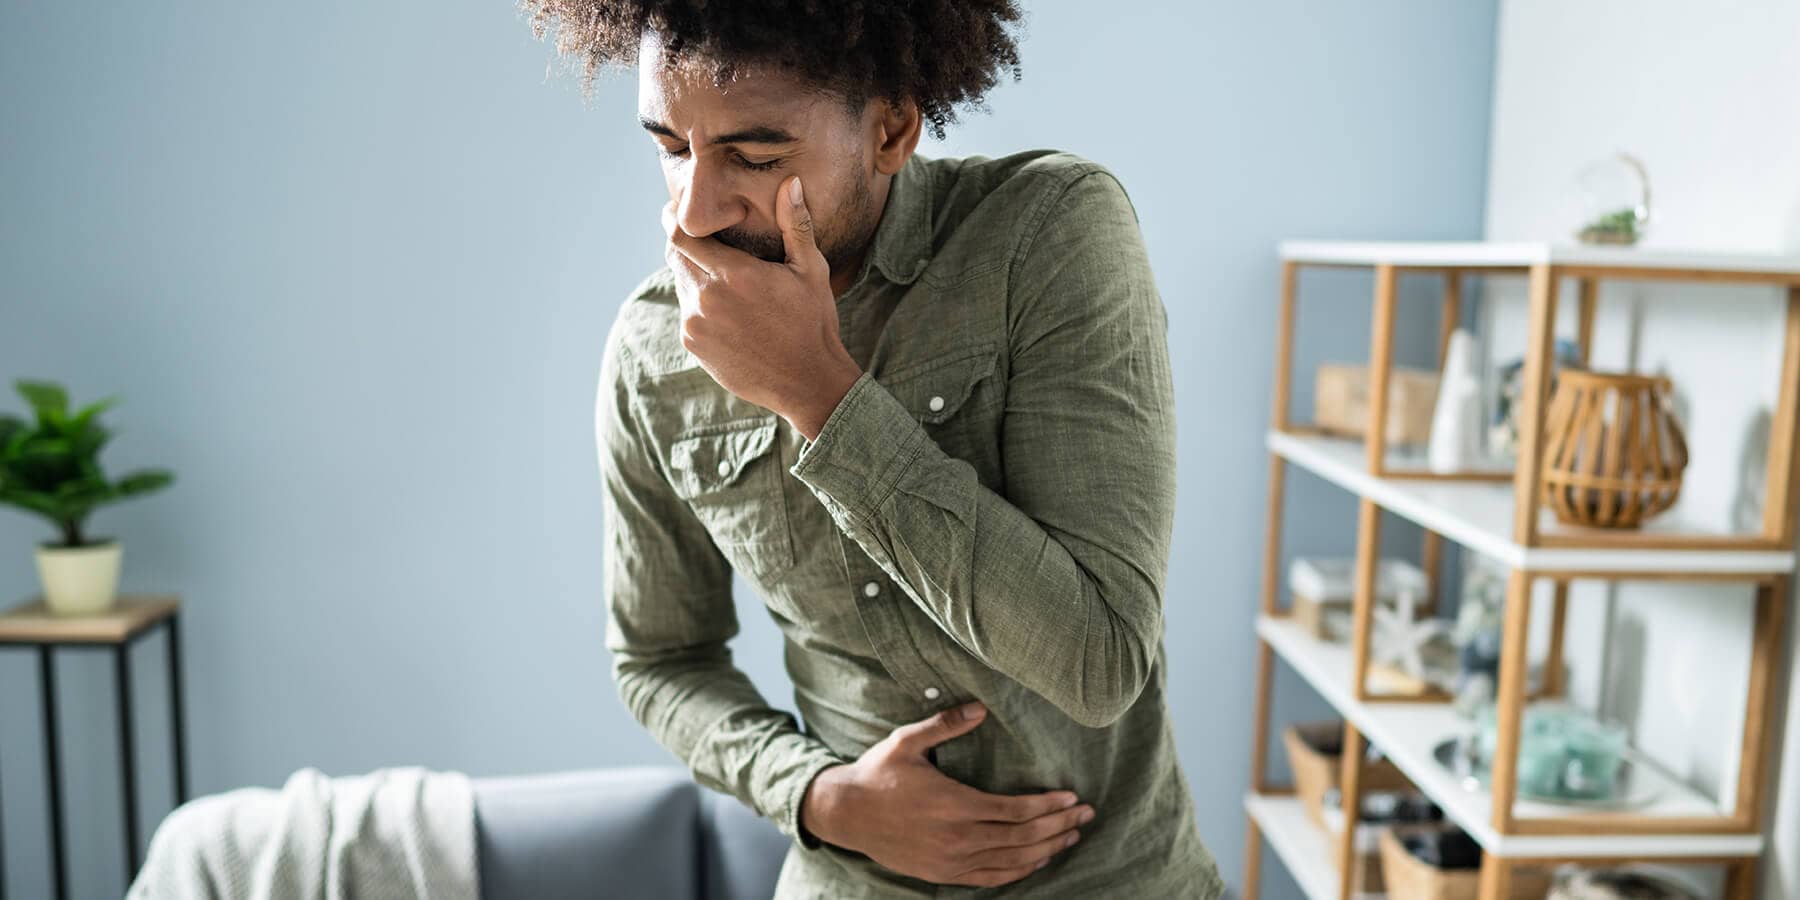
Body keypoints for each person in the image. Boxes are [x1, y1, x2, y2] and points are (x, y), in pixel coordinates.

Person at [524, 1, 1226, 895]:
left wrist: (820, 396)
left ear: (891, 128)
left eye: (756, 156)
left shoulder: (1049, 232)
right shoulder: (653, 353)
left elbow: (1100, 664)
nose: (695, 211)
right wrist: (821, 798)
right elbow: (659, 660)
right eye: (670, 147)